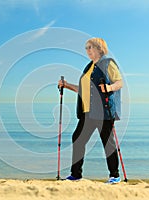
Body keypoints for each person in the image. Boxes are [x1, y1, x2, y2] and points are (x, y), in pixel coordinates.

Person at [58, 37, 123, 184]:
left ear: (99, 48)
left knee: (107, 142)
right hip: (87, 112)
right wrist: (66, 85)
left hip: (103, 111)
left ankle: (115, 175)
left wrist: (109, 87)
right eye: (86, 48)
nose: (87, 50)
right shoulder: (88, 67)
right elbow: (83, 90)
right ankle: (76, 175)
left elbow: (119, 82)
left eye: (90, 47)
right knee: (78, 139)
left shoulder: (108, 63)